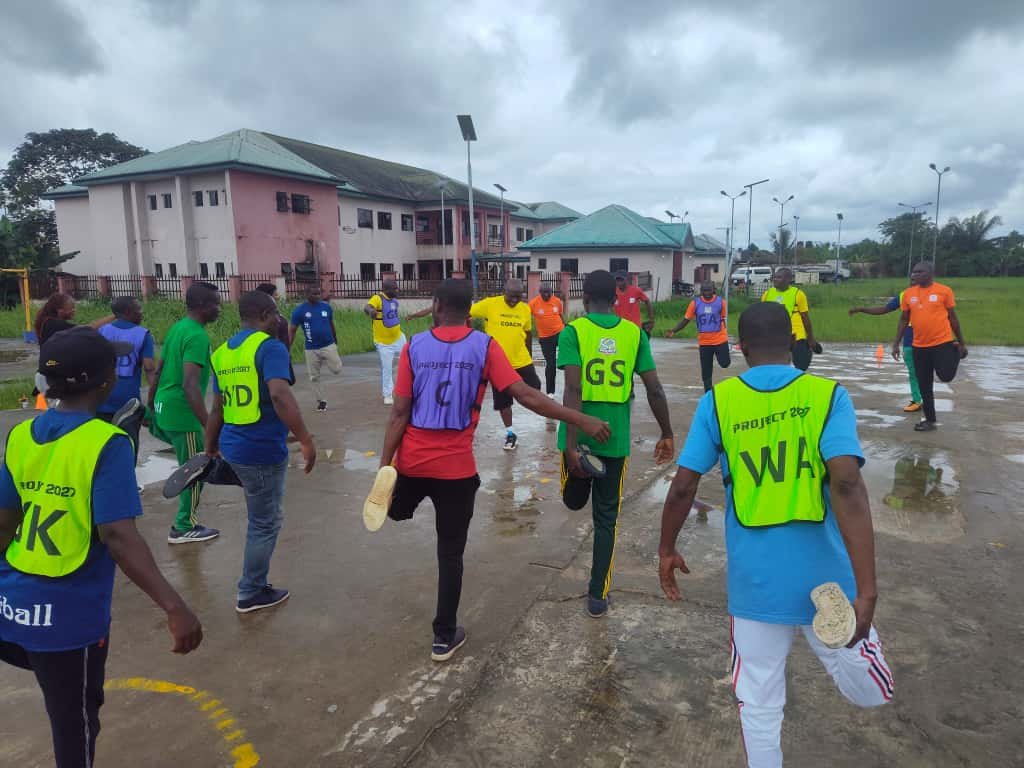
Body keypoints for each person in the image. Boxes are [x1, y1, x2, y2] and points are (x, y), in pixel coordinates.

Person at [658, 302, 892, 768]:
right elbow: (847, 483)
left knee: (759, 703)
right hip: (827, 579)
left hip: (755, 585)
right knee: (868, 688)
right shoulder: (828, 395)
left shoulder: (719, 402)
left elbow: (684, 486)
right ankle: (851, 654)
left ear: (740, 347)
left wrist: (666, 549)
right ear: (793, 342)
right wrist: (867, 589)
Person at [371, 278, 611, 662]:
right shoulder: (485, 346)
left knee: (399, 507)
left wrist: (385, 467)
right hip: (455, 471)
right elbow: (526, 395)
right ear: (470, 312)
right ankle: (443, 637)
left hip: (413, 462)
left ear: (436, 306)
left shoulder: (414, 346)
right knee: (450, 554)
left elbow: (399, 412)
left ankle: (397, 503)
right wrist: (580, 418)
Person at [0, 326, 203, 768]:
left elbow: (4, 522)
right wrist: (174, 607)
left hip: (13, 606)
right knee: (75, 725)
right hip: (67, 620)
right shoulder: (107, 443)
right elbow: (118, 537)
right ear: (105, 381)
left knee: (59, 701)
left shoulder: (21, 434)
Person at [559, 270, 675, 618]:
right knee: (606, 519)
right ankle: (598, 596)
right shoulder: (634, 333)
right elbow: (654, 388)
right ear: (615, 299)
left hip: (579, 434)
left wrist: (570, 444)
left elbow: (573, 389)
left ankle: (579, 475)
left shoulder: (573, 331)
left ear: (583, 299)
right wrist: (667, 432)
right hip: (615, 439)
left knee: (573, 500)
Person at [205, 291, 317, 613]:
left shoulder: (222, 353)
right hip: (261, 450)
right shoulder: (270, 348)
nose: (280, 319)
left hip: (233, 446)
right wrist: (306, 439)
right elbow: (280, 395)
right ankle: (251, 591)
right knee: (264, 523)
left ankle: (254, 586)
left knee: (259, 514)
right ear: (266, 315)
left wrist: (210, 447)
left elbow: (217, 408)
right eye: (277, 314)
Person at [150, 281, 222, 544]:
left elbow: (159, 369)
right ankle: (183, 526)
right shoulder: (197, 336)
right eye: (216, 304)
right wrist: (208, 425)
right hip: (182, 412)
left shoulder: (179, 328)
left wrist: (151, 403)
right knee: (196, 469)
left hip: (165, 405)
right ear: (202, 306)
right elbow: (190, 384)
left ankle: (185, 522)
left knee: (189, 464)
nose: (220, 308)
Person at [892, 262, 967, 432]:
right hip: (919, 346)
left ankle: (955, 351)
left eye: (919, 272)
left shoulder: (944, 291)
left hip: (942, 343)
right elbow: (904, 319)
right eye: (913, 272)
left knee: (945, 376)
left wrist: (962, 342)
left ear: (930, 273)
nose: (914, 275)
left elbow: (953, 318)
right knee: (924, 385)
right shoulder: (908, 294)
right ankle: (930, 421)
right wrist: (896, 343)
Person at [470, 279, 542, 451]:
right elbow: (465, 312)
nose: (514, 300)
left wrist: (530, 355)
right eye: (511, 296)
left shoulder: (525, 309)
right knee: (503, 402)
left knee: (535, 388)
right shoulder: (490, 304)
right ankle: (510, 434)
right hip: (498, 364)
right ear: (504, 291)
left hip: (522, 361)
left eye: (518, 297)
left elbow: (527, 333)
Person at [96, 296, 156, 455]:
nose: (142, 313)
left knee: (101, 445)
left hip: (101, 398)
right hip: (128, 400)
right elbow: (149, 368)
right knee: (128, 444)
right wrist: (153, 402)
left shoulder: (102, 331)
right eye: (139, 309)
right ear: (129, 311)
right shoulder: (143, 334)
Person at [32, 294, 114, 409]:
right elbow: (87, 329)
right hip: (51, 377)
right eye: (71, 308)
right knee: (64, 409)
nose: (74, 310)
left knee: (61, 409)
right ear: (60, 310)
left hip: (48, 375)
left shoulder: (49, 322)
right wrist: (113, 316)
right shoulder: (54, 324)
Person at [848, 289, 921, 412]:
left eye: (917, 278)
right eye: (912, 278)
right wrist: (862, 309)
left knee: (926, 372)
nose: (914, 280)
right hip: (910, 339)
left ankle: (925, 399)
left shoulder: (935, 292)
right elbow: (884, 309)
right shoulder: (905, 295)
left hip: (930, 338)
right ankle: (917, 400)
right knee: (913, 372)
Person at [363, 278, 432, 405]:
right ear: (386, 289)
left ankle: (414, 388)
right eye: (395, 288)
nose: (397, 290)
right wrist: (371, 311)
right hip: (384, 343)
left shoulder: (394, 301)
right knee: (387, 369)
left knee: (410, 361)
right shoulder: (378, 298)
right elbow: (367, 307)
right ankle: (388, 395)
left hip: (398, 337)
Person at [666, 280, 731, 392]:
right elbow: (686, 320)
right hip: (704, 342)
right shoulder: (695, 303)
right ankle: (708, 393)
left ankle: (720, 354)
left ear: (713, 290)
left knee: (725, 364)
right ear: (701, 291)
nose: (707, 293)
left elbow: (723, 319)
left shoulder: (721, 302)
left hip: (720, 340)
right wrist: (674, 331)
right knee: (706, 371)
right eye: (704, 291)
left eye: (709, 290)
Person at [289, 285, 342, 412]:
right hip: (311, 348)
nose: (317, 296)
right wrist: (287, 347)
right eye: (314, 294)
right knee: (314, 376)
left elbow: (331, 324)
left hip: (328, 345)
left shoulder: (326, 307)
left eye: (319, 293)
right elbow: (292, 330)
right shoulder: (299, 311)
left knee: (337, 369)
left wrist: (335, 338)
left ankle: (326, 359)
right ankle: (321, 401)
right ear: (307, 294)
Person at [761, 268, 819, 371]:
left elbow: (805, 317)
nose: (775, 279)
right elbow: (762, 316)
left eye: (779, 277)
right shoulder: (767, 294)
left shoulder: (798, 294)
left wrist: (810, 338)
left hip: (797, 335)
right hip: (776, 336)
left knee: (801, 367)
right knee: (774, 367)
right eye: (774, 277)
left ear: (788, 279)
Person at [528, 284, 565, 397]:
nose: (547, 294)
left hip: (560, 333)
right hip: (545, 338)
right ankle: (550, 392)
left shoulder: (557, 301)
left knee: (568, 357)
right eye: (544, 292)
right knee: (551, 364)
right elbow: (525, 315)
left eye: (549, 292)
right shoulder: (533, 303)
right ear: (540, 292)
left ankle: (565, 367)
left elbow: (560, 315)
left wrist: (565, 326)